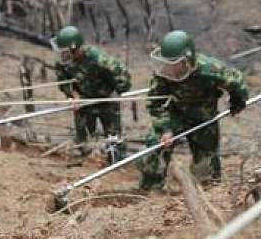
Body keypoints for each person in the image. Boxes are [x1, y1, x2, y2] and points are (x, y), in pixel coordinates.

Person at [138, 30, 248, 190]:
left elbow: (237, 82)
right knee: (156, 145)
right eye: (168, 64)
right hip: (175, 113)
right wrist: (165, 129)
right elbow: (155, 103)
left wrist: (237, 103)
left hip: (204, 117)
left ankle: (206, 191)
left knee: (206, 165)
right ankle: (150, 188)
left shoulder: (211, 70)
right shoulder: (164, 74)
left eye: (175, 64)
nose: (171, 69)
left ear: (188, 59)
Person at [53, 26, 131, 163]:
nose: (62, 55)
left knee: (114, 140)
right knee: (82, 140)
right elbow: (63, 80)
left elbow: (123, 77)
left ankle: (116, 163)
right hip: (84, 102)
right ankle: (85, 161)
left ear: (75, 49)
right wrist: (73, 94)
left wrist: (116, 92)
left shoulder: (99, 60)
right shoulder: (64, 63)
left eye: (65, 52)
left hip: (106, 101)